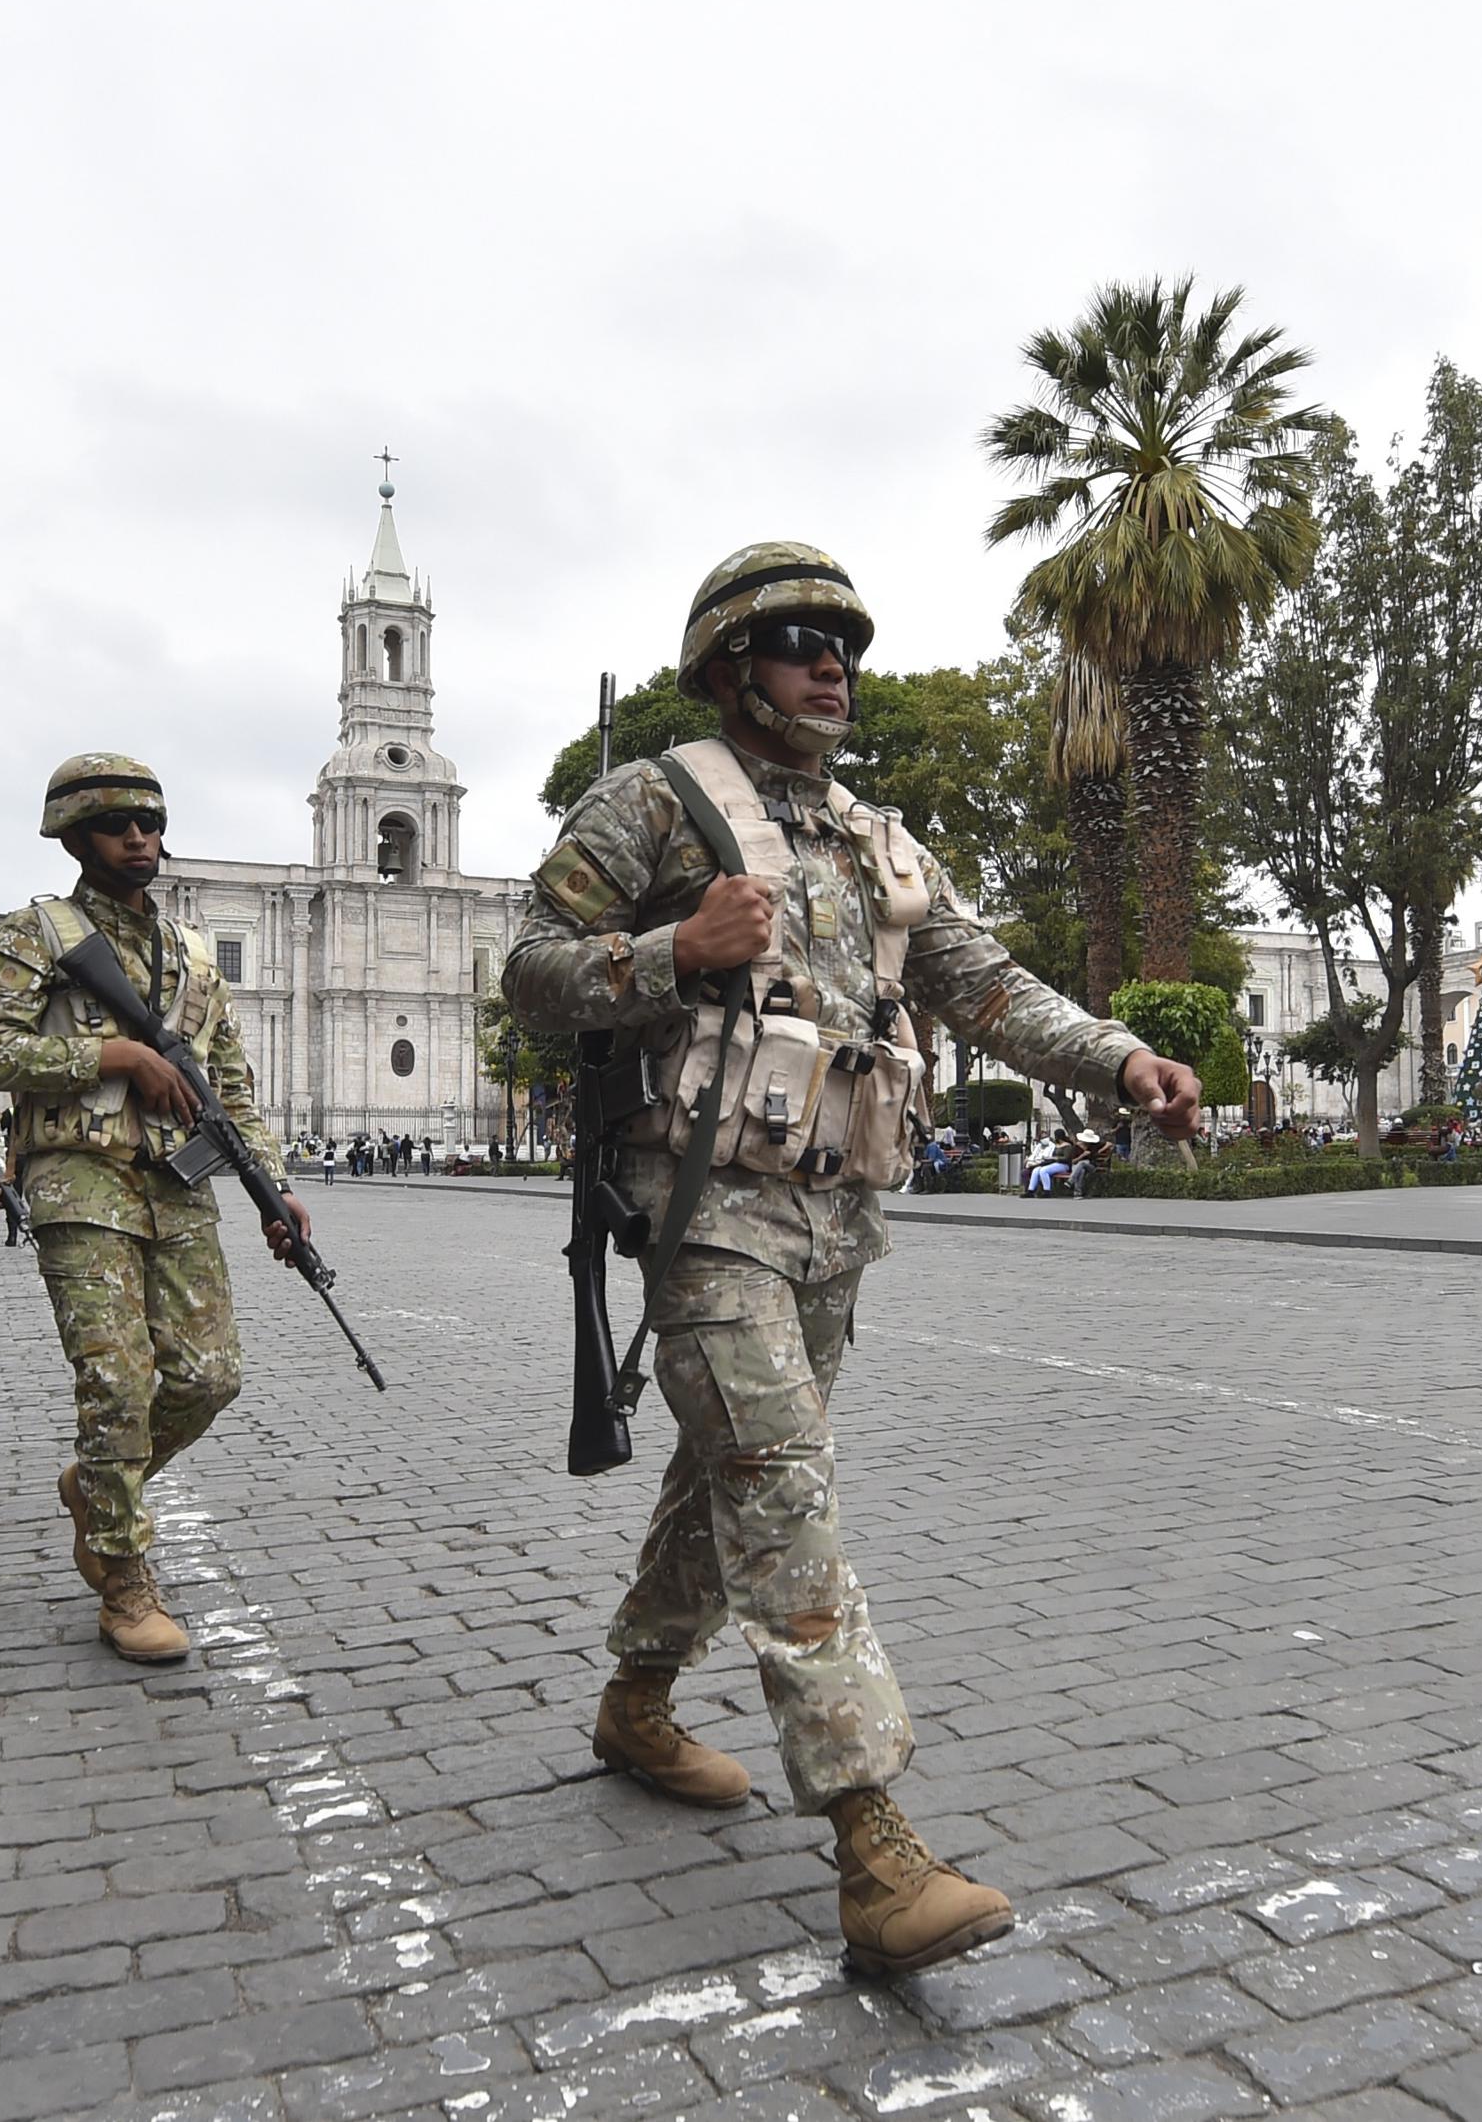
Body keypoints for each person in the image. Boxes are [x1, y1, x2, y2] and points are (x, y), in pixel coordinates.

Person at [507, 542, 1202, 1976]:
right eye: (799, 638)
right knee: (782, 1486)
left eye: (847, 643)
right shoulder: (654, 801)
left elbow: (985, 983)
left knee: (731, 1481)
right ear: (728, 668)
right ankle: (875, 1843)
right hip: (703, 1211)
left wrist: (1124, 1055)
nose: (833, 663)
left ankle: (636, 1701)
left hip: (838, 1220)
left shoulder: (875, 841)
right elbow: (524, 967)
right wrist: (669, 952)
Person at [0, 752, 306, 1665]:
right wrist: (114, 1059)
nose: (140, 838)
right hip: (79, 1179)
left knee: (209, 1376)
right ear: (75, 836)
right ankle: (123, 1576)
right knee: (116, 1380)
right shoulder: (35, 933)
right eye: (119, 825)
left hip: (178, 1182)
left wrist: (275, 1190)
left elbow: (230, 1082)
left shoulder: (196, 956)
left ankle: (97, 1483)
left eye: (151, 824)